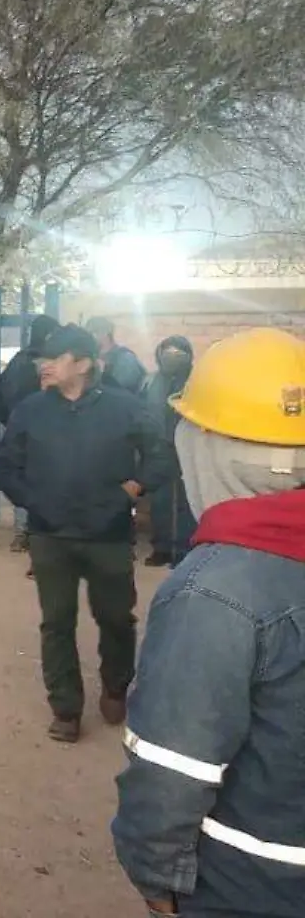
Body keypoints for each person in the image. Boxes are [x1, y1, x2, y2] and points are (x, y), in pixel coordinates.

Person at [110, 326, 305, 918]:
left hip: (251, 883)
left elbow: (176, 766)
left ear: (205, 444)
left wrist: (154, 875)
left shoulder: (212, 592)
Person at [0, 323, 171, 743]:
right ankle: (66, 709)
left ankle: (115, 686)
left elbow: (162, 456)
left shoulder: (124, 408)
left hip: (107, 534)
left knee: (115, 618)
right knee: (56, 622)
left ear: (84, 363)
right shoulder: (31, 409)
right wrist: (33, 501)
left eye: (54, 358)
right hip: (50, 535)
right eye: (43, 359)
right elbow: (6, 466)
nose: (43, 365)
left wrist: (131, 489)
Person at [0, 313, 60, 554]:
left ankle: (22, 533)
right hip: (44, 431)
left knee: (21, 478)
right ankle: (39, 533)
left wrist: (8, 422)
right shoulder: (52, 363)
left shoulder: (18, 360)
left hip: (17, 428)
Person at [141, 335, 198, 568]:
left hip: (188, 447)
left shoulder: (197, 382)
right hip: (158, 448)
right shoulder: (150, 381)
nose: (171, 359)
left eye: (178, 355)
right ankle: (162, 548)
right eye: (166, 354)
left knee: (187, 500)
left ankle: (184, 549)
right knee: (160, 500)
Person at [87, 315, 148, 394]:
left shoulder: (125, 359)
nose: (88, 338)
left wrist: (104, 373)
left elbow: (123, 392)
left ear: (105, 333)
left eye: (92, 333)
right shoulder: (92, 358)